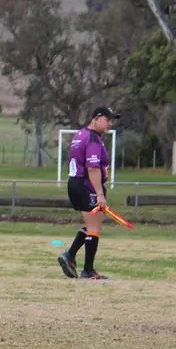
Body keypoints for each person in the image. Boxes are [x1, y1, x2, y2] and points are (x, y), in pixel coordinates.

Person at [59, 106, 117, 281]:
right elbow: (92, 168)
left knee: (93, 225)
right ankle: (87, 270)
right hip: (86, 185)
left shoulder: (80, 134)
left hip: (75, 183)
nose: (110, 123)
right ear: (97, 118)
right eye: (107, 119)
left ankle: (70, 255)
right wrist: (99, 193)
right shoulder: (92, 139)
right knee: (94, 228)